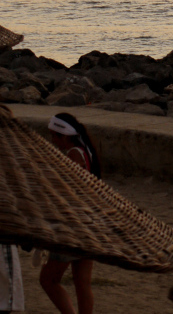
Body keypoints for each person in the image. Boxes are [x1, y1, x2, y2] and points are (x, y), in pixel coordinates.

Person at [40, 113, 102, 314]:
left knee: (48, 280)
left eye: (55, 136)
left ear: (65, 135)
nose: (53, 141)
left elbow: (67, 189)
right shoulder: (87, 152)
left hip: (74, 225)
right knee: (82, 284)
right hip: (90, 222)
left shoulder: (74, 154)